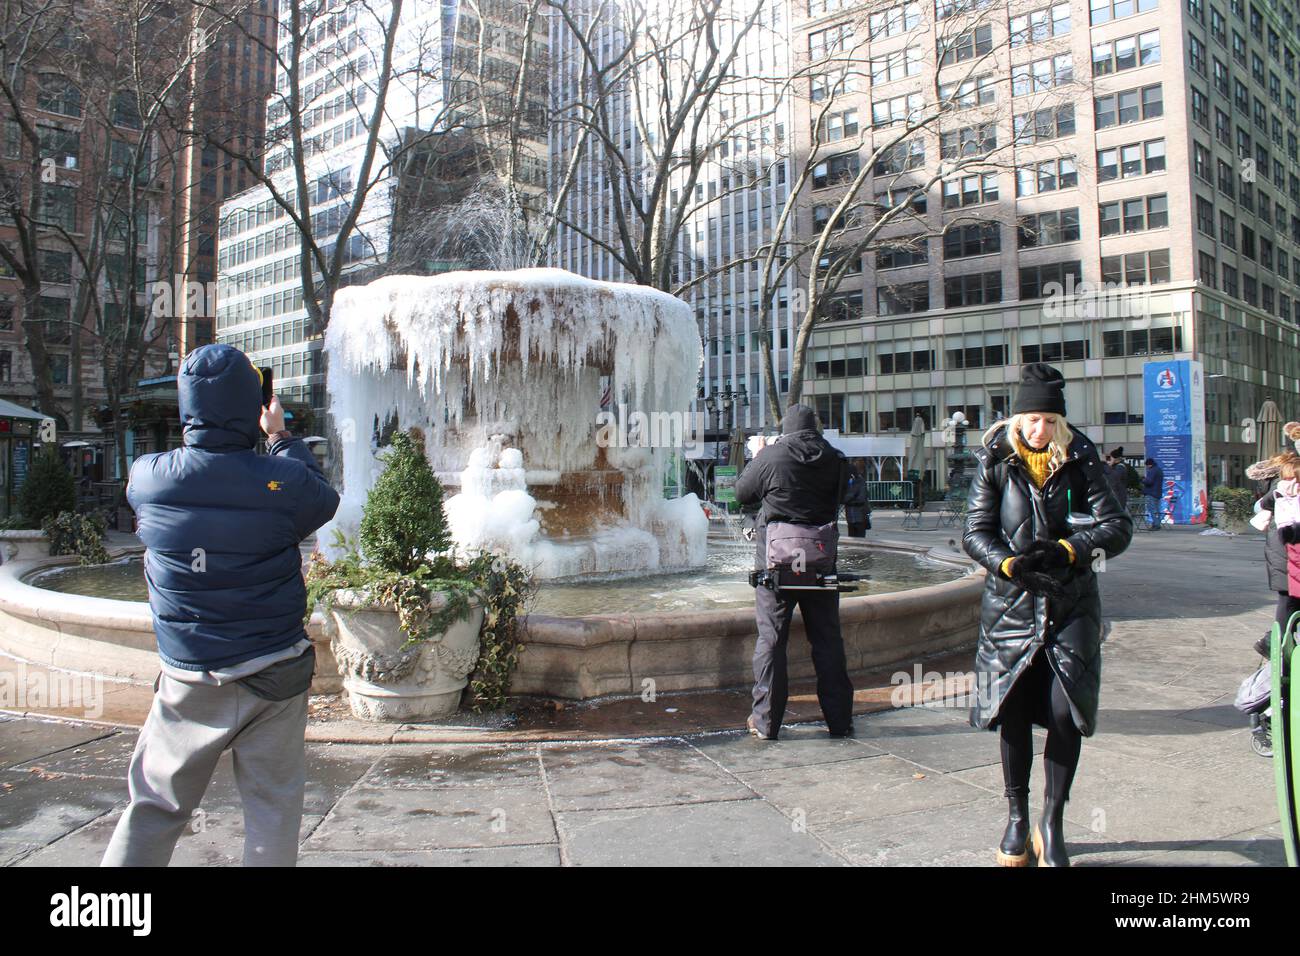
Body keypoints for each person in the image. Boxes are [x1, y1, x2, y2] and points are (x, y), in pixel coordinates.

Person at [102, 344, 340, 867]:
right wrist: (278, 436)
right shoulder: (282, 483)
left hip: (189, 676)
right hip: (274, 670)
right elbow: (323, 498)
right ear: (253, 404)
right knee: (273, 808)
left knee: (155, 805)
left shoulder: (148, 475)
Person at [963, 364, 1133, 867]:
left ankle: (1051, 821)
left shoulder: (1082, 460)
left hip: (1071, 604)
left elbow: (1117, 527)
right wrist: (1009, 562)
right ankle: (1017, 817)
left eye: (1049, 421)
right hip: (1010, 607)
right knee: (1012, 712)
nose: (1040, 430)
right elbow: (975, 531)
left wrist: (1068, 550)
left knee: (1066, 713)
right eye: (1033, 419)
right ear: (1019, 419)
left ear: (1061, 423)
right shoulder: (996, 460)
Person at [735, 404, 854, 741]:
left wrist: (759, 457)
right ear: (815, 428)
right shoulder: (836, 458)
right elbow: (845, 495)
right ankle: (840, 721)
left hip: (776, 566)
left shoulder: (771, 456)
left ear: (785, 429)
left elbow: (742, 493)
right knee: (828, 641)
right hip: (820, 562)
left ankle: (766, 721)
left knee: (771, 641)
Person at [1248, 422, 1300, 657]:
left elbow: (1260, 504)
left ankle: (1275, 644)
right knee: (1289, 600)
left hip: (1284, 549)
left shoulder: (1285, 479)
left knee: (1289, 601)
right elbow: (1262, 504)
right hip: (1288, 550)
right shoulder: (1287, 482)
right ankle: (1275, 645)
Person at [844, 466, 871, 537]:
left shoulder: (860, 481)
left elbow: (861, 499)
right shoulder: (846, 482)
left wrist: (849, 498)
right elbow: (843, 499)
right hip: (850, 517)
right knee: (852, 538)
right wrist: (852, 496)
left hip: (860, 516)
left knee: (860, 539)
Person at [1141, 457, 1165, 529]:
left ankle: (1156, 524)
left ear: (1149, 465)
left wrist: (1143, 480)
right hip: (1158, 493)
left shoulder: (1152, 470)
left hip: (1151, 492)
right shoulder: (1159, 470)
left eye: (1147, 466)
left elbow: (1149, 481)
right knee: (1156, 509)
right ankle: (1157, 523)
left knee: (1152, 509)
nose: (1147, 467)